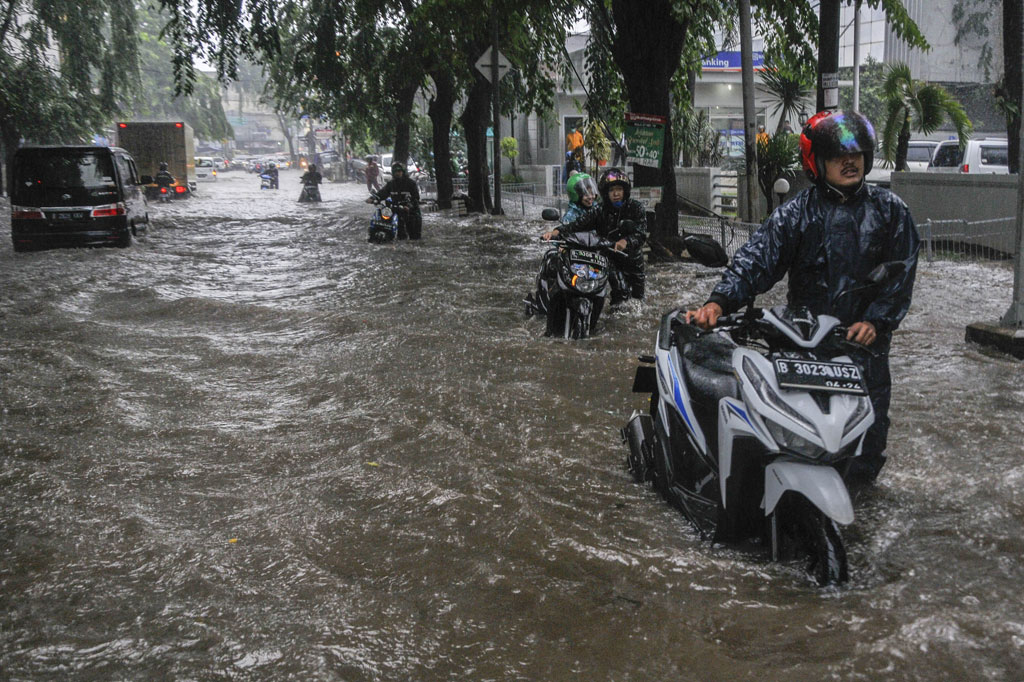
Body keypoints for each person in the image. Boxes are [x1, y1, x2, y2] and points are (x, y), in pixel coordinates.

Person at [685, 110, 920, 487]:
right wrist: (719, 302)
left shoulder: (891, 212)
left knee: (865, 451)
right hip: (803, 350)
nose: (850, 161)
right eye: (839, 155)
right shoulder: (796, 213)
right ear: (817, 162)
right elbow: (756, 259)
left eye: (857, 154)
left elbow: (900, 274)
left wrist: (875, 320)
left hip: (864, 353)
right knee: (789, 439)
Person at [544, 167, 647, 303]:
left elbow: (641, 233)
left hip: (633, 259)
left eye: (619, 189)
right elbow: (578, 224)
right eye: (611, 190)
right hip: (609, 257)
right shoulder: (600, 210)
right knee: (620, 293)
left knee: (638, 298)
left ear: (625, 190)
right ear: (606, 193)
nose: (616, 193)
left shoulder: (636, 207)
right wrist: (557, 231)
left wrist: (626, 241)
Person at [368, 161, 422, 239]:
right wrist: (373, 198)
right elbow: (383, 193)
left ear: (403, 172)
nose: (397, 173)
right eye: (395, 171)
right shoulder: (391, 184)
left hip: (410, 211)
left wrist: (409, 206)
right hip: (396, 210)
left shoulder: (411, 184)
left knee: (414, 236)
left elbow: (416, 198)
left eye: (399, 171)